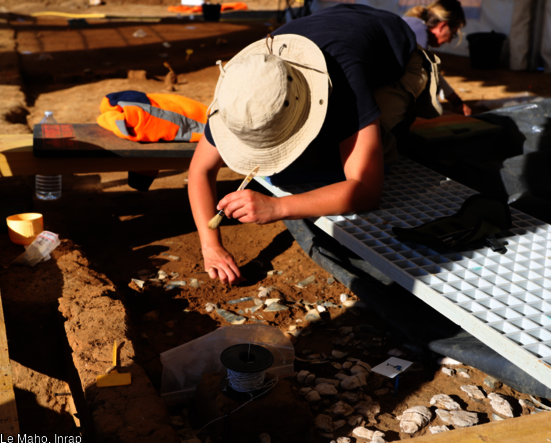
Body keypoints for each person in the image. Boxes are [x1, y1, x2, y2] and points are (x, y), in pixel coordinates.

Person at [188, 4, 443, 285]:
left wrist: (277, 207)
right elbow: (199, 170)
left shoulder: (345, 81)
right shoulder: (245, 88)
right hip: (340, 30)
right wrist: (210, 245)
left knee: (362, 152)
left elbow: (366, 190)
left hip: (401, 57)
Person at [403, 0, 472, 116]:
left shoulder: (414, 25)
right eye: (453, 34)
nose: (450, 40)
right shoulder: (419, 32)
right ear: (443, 26)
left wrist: (456, 101)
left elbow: (432, 72)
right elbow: (422, 87)